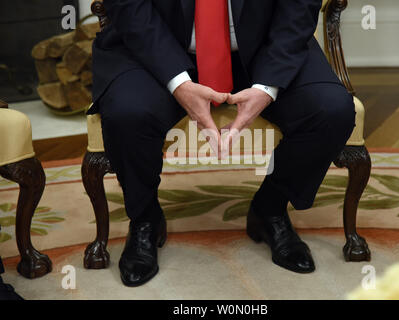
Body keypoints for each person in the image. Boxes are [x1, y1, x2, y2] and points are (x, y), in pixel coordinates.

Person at [89, 0, 356, 287]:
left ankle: (270, 207)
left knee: (331, 111)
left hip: (264, 46)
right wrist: (178, 83)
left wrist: (267, 87)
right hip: (156, 47)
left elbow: (299, 7)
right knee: (127, 113)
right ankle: (145, 218)